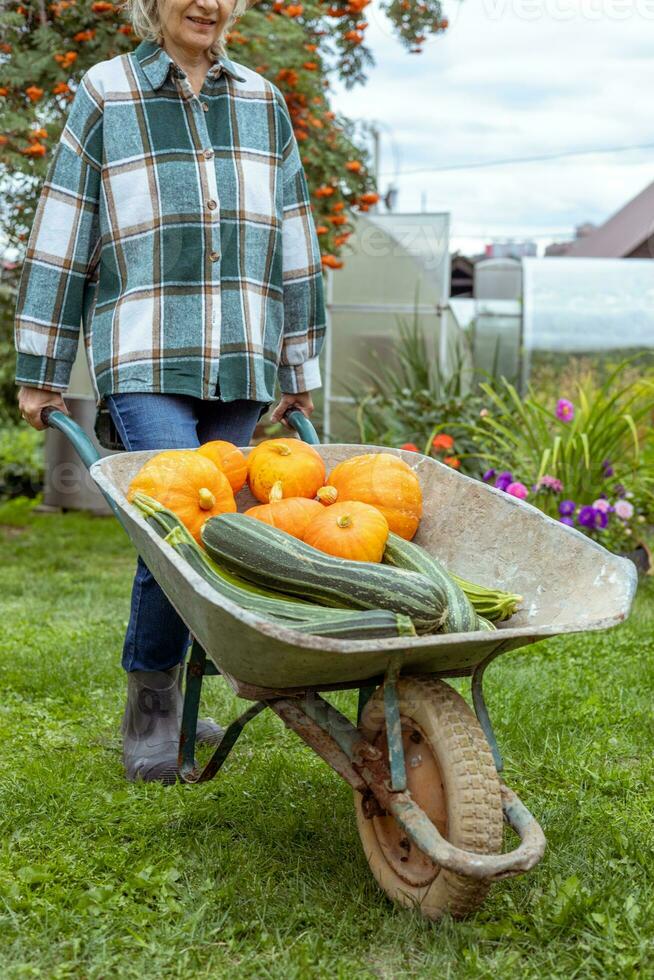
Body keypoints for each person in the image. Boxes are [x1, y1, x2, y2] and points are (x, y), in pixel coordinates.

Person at [14, 0, 326, 784]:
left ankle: (188, 693)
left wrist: (299, 367)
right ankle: (150, 708)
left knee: (227, 531)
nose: (207, 4)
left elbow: (295, 234)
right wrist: (41, 368)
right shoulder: (108, 92)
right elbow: (64, 228)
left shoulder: (261, 99)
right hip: (145, 350)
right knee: (176, 525)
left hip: (242, 355)